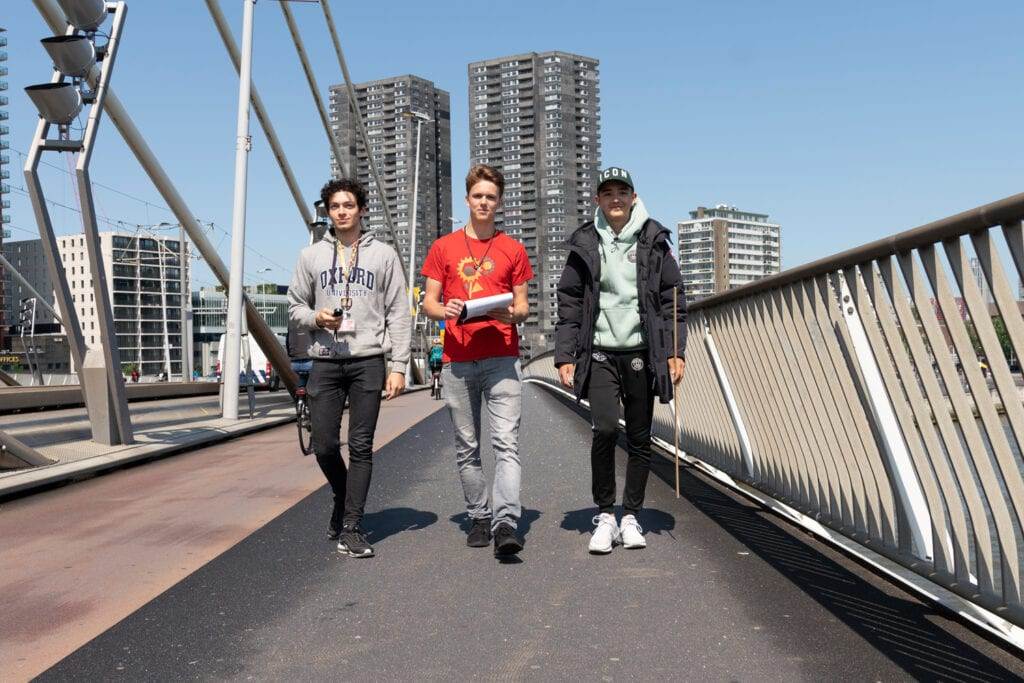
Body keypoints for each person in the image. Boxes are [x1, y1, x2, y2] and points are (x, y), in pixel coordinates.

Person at [554, 167, 687, 554]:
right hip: (599, 350)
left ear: (633, 197)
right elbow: (570, 302)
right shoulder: (585, 240)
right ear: (597, 199)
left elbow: (672, 301)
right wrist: (565, 355)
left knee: (641, 436)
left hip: (642, 351)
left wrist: (676, 350)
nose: (615, 198)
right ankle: (605, 515)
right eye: (607, 192)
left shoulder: (654, 240)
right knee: (606, 428)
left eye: (621, 192)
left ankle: (631, 516)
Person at [288, 177, 411, 559]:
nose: (341, 212)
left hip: (368, 361)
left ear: (360, 209)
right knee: (324, 445)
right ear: (328, 211)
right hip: (325, 360)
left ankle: (352, 526)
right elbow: (294, 307)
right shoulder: (310, 257)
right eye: (335, 206)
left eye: (349, 205)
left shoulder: (384, 255)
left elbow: (399, 313)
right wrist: (315, 317)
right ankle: (343, 497)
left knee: (361, 445)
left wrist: (399, 366)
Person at [422, 164, 533, 557]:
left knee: (506, 443)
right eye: (478, 196)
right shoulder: (443, 248)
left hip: (502, 356)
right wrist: (446, 310)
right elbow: (429, 303)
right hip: (458, 357)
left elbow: (522, 306)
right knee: (467, 445)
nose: (484, 202)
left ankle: (505, 521)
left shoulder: (512, 249)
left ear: (499, 202)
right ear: (467, 200)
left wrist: (513, 314)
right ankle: (479, 516)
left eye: (491, 197)